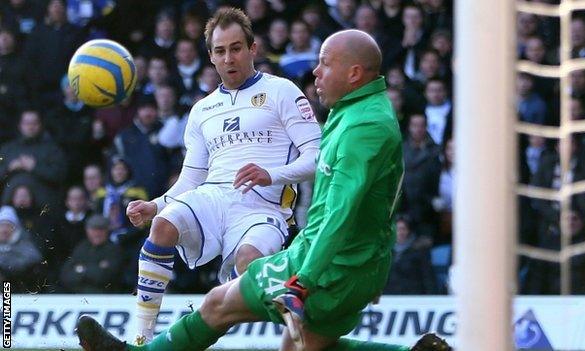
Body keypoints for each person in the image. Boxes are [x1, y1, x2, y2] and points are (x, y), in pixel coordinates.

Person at [77, 29, 450, 351]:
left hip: (322, 262)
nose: (315, 71)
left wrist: (304, 279)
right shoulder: (356, 111)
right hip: (348, 263)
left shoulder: (358, 126)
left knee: (217, 304)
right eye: (219, 51)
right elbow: (372, 203)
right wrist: (370, 269)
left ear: (354, 73)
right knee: (300, 345)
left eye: (325, 63)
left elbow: (341, 211)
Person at [123, 7, 321, 345]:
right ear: (211, 57)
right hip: (213, 198)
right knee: (163, 226)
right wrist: (155, 205)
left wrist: (271, 174)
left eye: (236, 48)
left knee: (250, 265)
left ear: (253, 49)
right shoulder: (202, 110)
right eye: (220, 51)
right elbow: (190, 180)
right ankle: (140, 340)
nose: (228, 58)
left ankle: (309, 330)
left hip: (264, 210)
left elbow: (317, 157)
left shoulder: (283, 91)